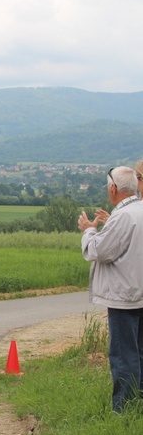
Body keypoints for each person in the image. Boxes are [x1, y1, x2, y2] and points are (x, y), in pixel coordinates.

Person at [79, 166, 143, 412]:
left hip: (124, 297)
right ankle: (139, 404)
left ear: (113, 188)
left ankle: (124, 410)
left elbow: (100, 251)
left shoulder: (123, 216)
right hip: (139, 293)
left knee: (123, 356)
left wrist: (89, 231)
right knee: (139, 353)